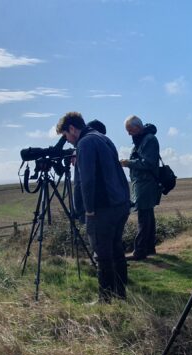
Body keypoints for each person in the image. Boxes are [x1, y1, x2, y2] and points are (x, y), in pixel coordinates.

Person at [57, 111, 131, 302]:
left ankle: (105, 299)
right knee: (116, 250)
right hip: (119, 203)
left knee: (103, 255)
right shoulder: (103, 138)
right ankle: (120, 295)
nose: (67, 140)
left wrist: (88, 209)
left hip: (102, 207)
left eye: (65, 135)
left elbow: (87, 180)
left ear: (72, 128)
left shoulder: (85, 143)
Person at [120, 115, 161, 261]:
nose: (129, 133)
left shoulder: (148, 140)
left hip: (146, 184)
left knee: (144, 218)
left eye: (130, 130)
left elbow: (148, 163)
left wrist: (128, 163)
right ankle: (149, 248)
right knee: (148, 216)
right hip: (143, 184)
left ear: (138, 128)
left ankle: (139, 251)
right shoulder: (143, 139)